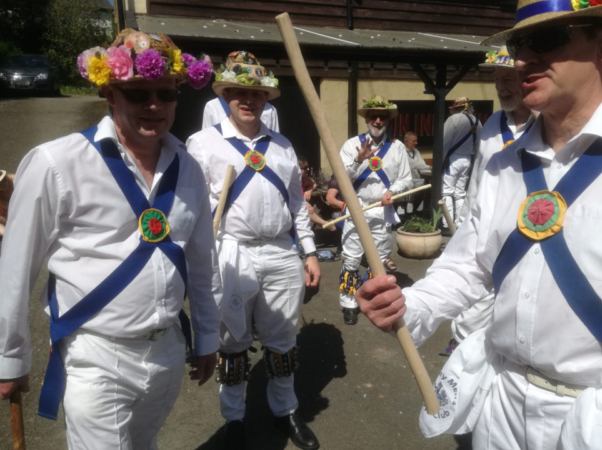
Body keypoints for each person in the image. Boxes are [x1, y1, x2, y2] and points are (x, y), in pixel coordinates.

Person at [356, 0, 602, 448]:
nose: (523, 59)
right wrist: (410, 304)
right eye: (520, 43)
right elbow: (469, 264)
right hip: (501, 407)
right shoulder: (502, 162)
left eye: (545, 39)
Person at [0, 29, 221, 449]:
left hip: (169, 350)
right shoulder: (57, 162)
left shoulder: (189, 168)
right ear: (110, 94)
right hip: (96, 353)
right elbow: (15, 268)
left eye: (166, 93)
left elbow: (202, 261)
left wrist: (208, 337)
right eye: (137, 94)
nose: (155, 104)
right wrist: (9, 356)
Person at [187, 51, 321, 450]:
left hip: (281, 252)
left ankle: (285, 411)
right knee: (232, 342)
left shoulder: (281, 146)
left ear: (267, 99)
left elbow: (298, 204)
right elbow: (190, 209)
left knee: (283, 339)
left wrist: (309, 251)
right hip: (231, 252)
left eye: (258, 93)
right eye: (239, 92)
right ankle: (235, 419)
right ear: (225, 95)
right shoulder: (203, 143)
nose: (249, 100)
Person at [442, 46, 536, 357]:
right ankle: (464, 351)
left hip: (532, 233)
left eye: (508, 78)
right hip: (488, 229)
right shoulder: (492, 124)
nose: (501, 87)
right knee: (474, 302)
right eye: (497, 79)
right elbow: (476, 182)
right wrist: (466, 225)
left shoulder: (548, 124)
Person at [338, 95, 411, 325]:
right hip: (357, 208)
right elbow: (342, 178)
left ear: (388, 120)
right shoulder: (351, 145)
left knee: (378, 260)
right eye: (373, 116)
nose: (378, 120)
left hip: (382, 211)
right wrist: (359, 159)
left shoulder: (397, 147)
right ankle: (349, 301)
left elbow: (405, 179)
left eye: (382, 117)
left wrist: (392, 192)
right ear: (367, 119)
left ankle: (371, 299)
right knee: (351, 258)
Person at [442, 96, 482, 228]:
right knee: (460, 192)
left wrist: (441, 161)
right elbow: (478, 146)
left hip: (453, 159)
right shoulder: (478, 122)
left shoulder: (453, 119)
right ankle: (459, 223)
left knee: (447, 191)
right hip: (468, 159)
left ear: (458, 108)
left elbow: (445, 141)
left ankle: (447, 223)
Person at [400, 131, 431, 214]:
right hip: (407, 180)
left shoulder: (416, 151)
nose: (416, 143)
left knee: (428, 186)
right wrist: (429, 167)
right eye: (414, 141)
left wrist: (430, 171)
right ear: (407, 141)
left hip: (418, 180)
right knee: (409, 186)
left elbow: (422, 164)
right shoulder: (401, 151)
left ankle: (419, 211)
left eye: (416, 141)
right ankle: (408, 213)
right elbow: (413, 164)